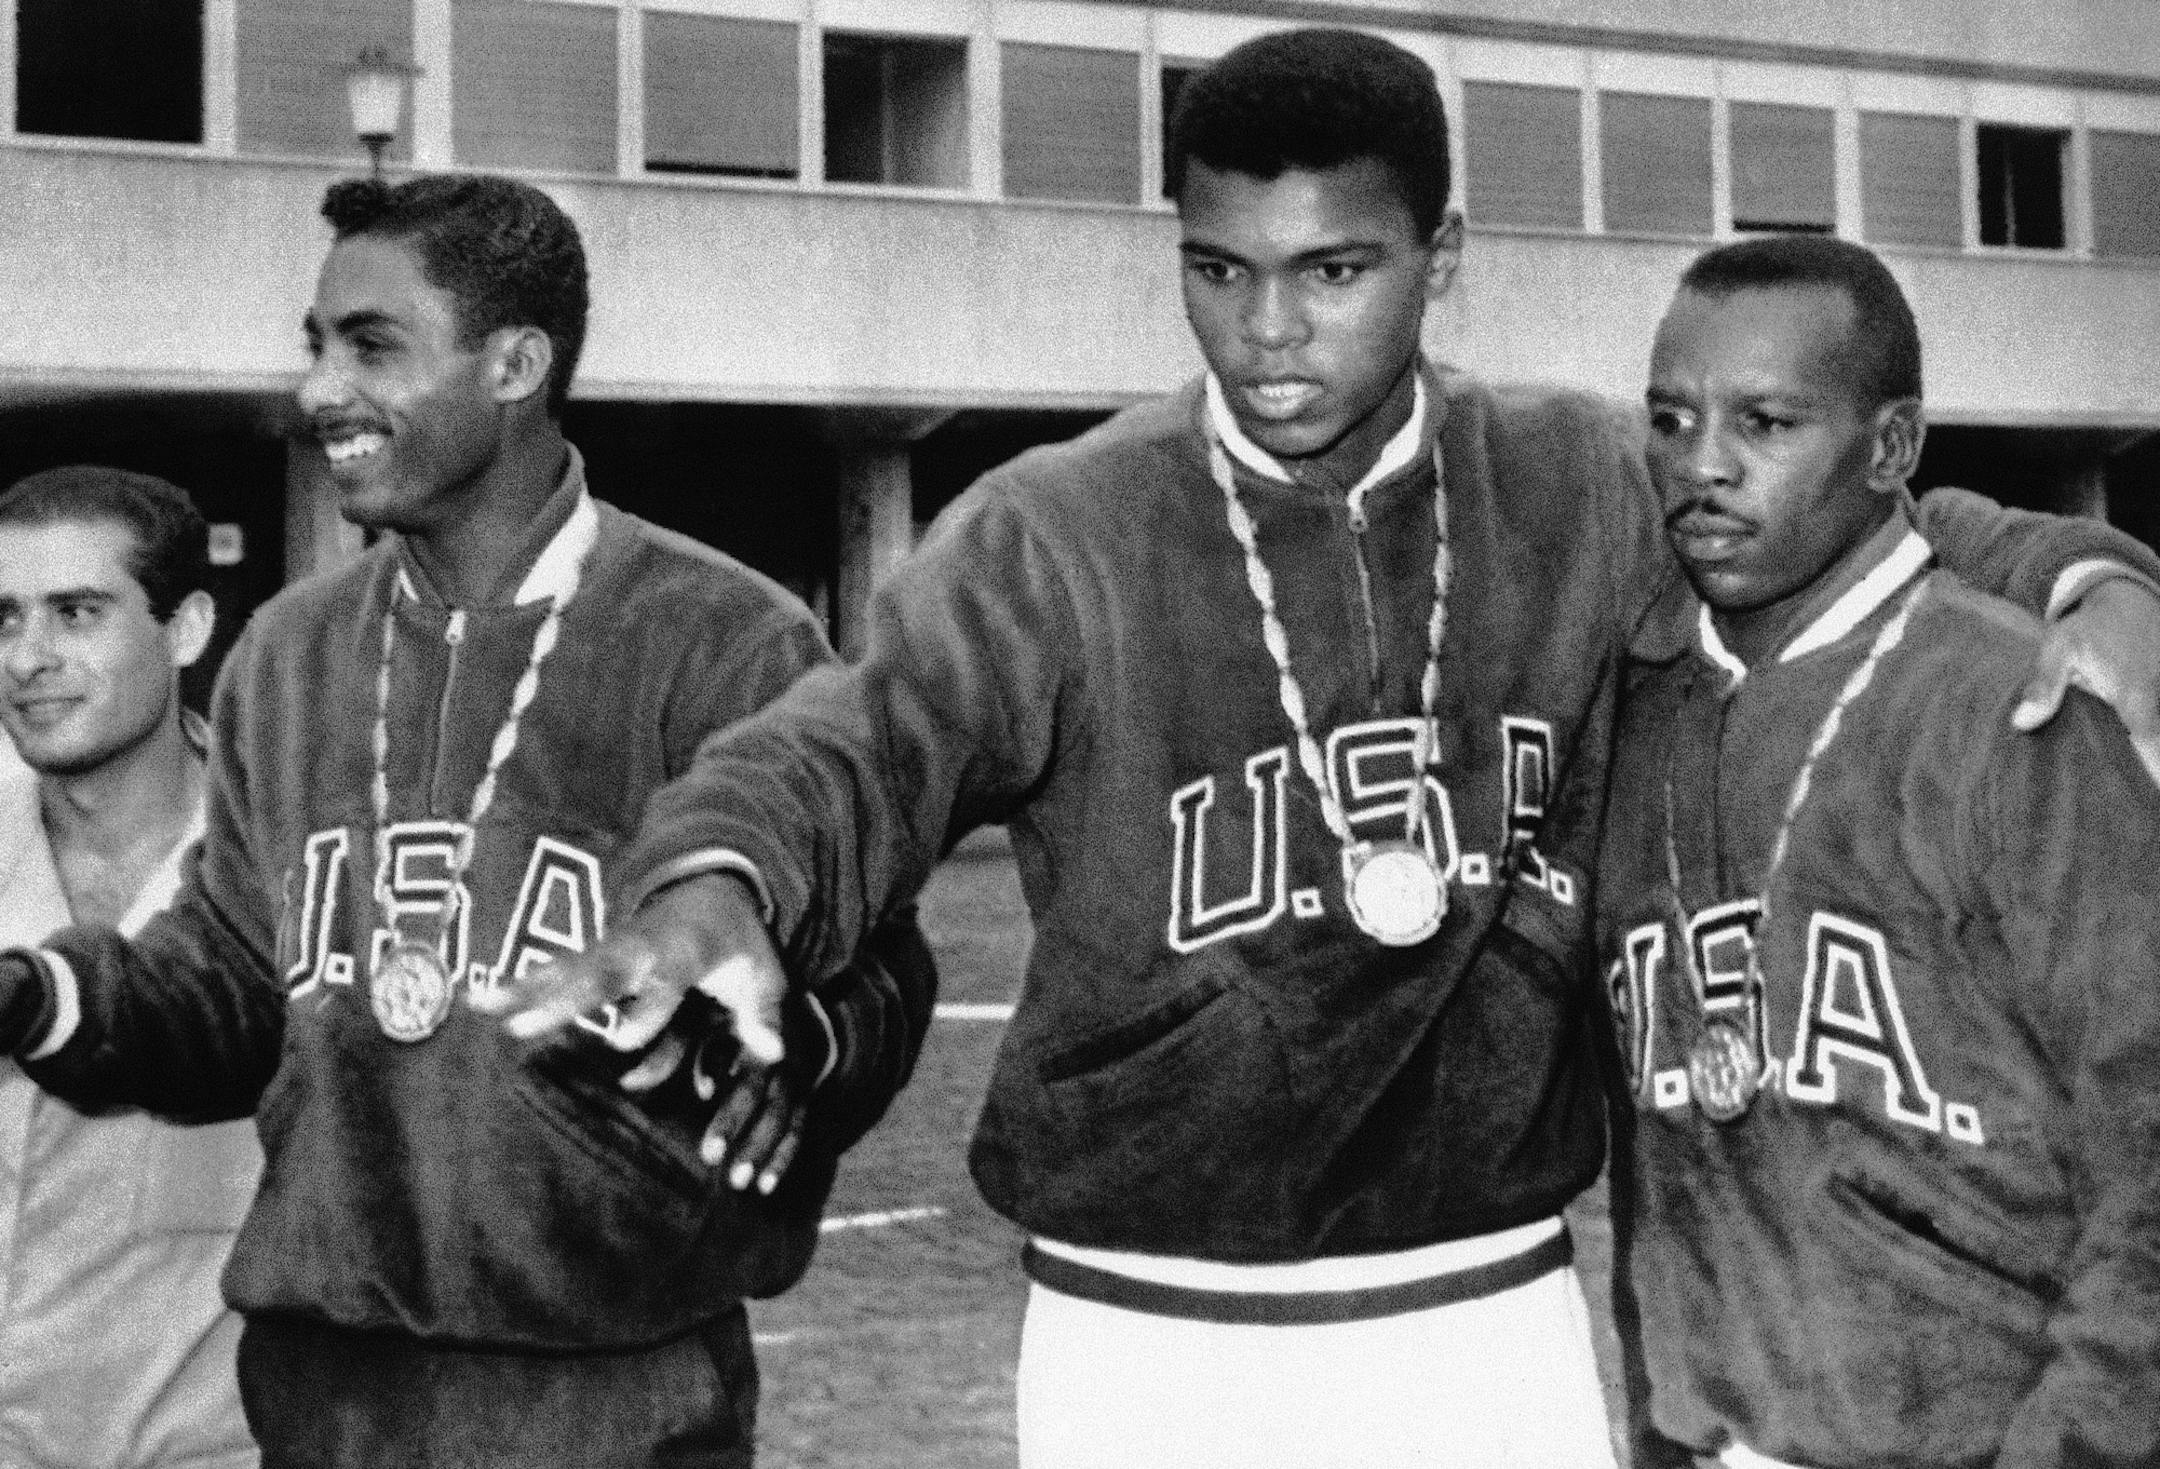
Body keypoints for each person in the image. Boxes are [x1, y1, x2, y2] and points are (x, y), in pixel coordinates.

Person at [485, 29, 2160, 1469]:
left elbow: (1847, 516)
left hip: (1486, 1314)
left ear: (1443, 252)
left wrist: (2092, 577)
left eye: (1334, 271)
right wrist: (714, 881)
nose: (1269, 329)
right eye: (1219, 270)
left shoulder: (1573, 481)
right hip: (1139, 1329)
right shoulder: (1060, 531)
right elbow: (854, 743)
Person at [0, 174, 934, 1468]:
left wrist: (801, 1052)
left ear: (514, 364)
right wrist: (41, 993)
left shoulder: (723, 640)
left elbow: (883, 964)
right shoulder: (289, 654)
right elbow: (227, 983)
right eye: (316, 346)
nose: (320, 390)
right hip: (324, 1403)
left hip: (617, 1404)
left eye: (371, 346)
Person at [1598, 235, 2160, 1469]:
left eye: (1765, 423)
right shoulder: (1637, 712)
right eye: (1672, 419)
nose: (1703, 464)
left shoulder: (2017, 706)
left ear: (1892, 446)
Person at [0, 466, 260, 1469]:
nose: (28, 656)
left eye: (76, 612)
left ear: (186, 628)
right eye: (5, 617)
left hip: (215, 1446)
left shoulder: (287, 868)